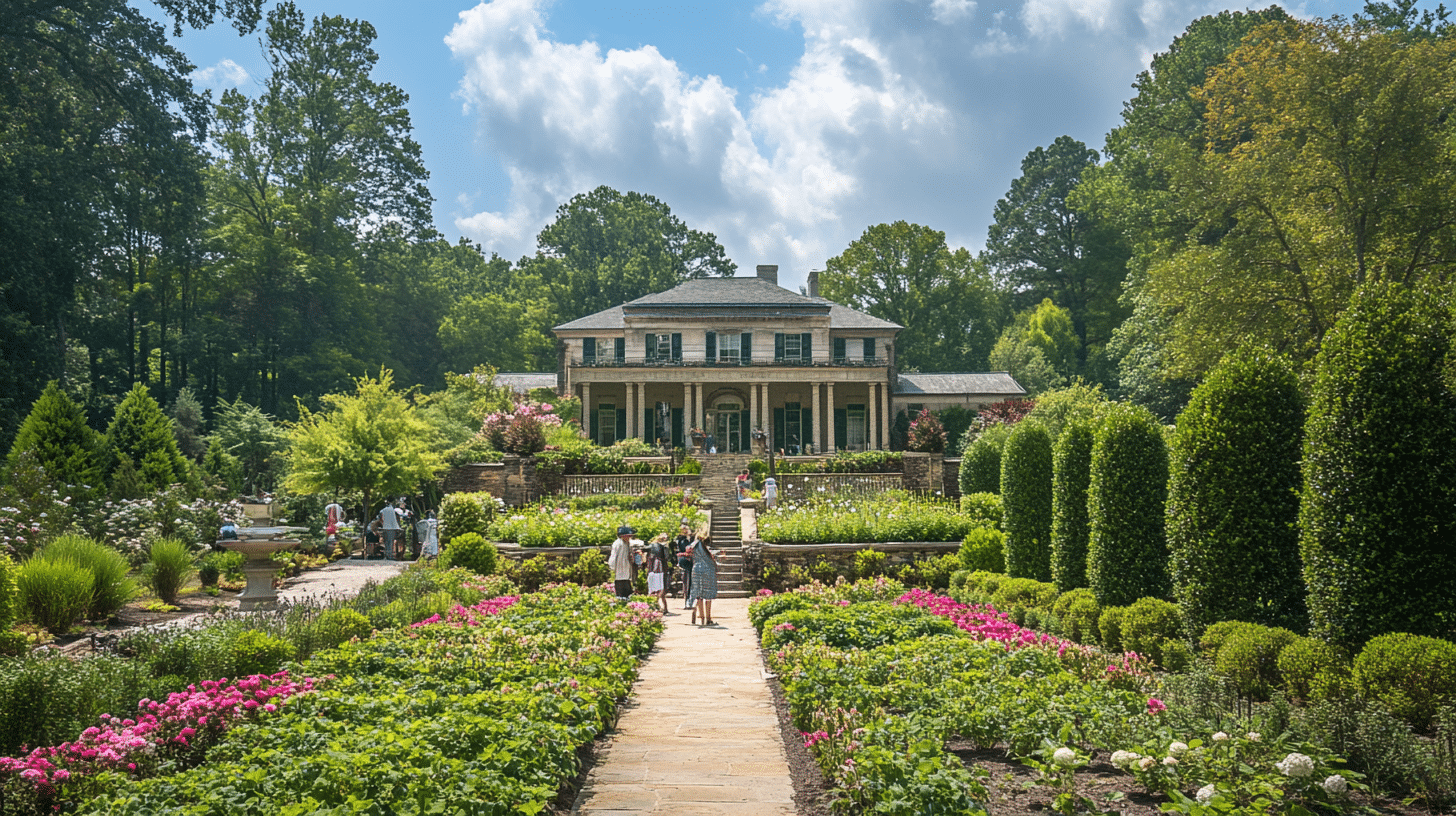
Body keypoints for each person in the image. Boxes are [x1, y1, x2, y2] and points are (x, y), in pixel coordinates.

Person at [687, 529, 719, 626]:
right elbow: (713, 555)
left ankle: (702, 618)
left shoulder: (694, 544)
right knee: (708, 595)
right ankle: (708, 619)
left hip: (696, 569)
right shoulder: (706, 546)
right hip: (708, 569)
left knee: (699, 595)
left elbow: (688, 550)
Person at [644, 533, 671, 613]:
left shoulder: (653, 546)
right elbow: (667, 557)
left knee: (656, 588)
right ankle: (659, 606)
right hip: (660, 569)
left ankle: (656, 605)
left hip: (654, 569)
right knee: (661, 588)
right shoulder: (662, 547)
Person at [609, 525, 636, 600]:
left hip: (626, 571)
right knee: (620, 593)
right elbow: (613, 556)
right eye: (627, 536)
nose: (629, 538)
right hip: (619, 571)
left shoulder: (627, 544)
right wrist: (612, 567)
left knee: (628, 592)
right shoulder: (617, 544)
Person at [672, 522, 694, 607]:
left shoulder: (691, 539)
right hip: (685, 562)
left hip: (691, 561)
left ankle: (690, 600)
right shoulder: (681, 540)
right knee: (687, 582)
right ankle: (687, 600)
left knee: (690, 582)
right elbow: (680, 551)